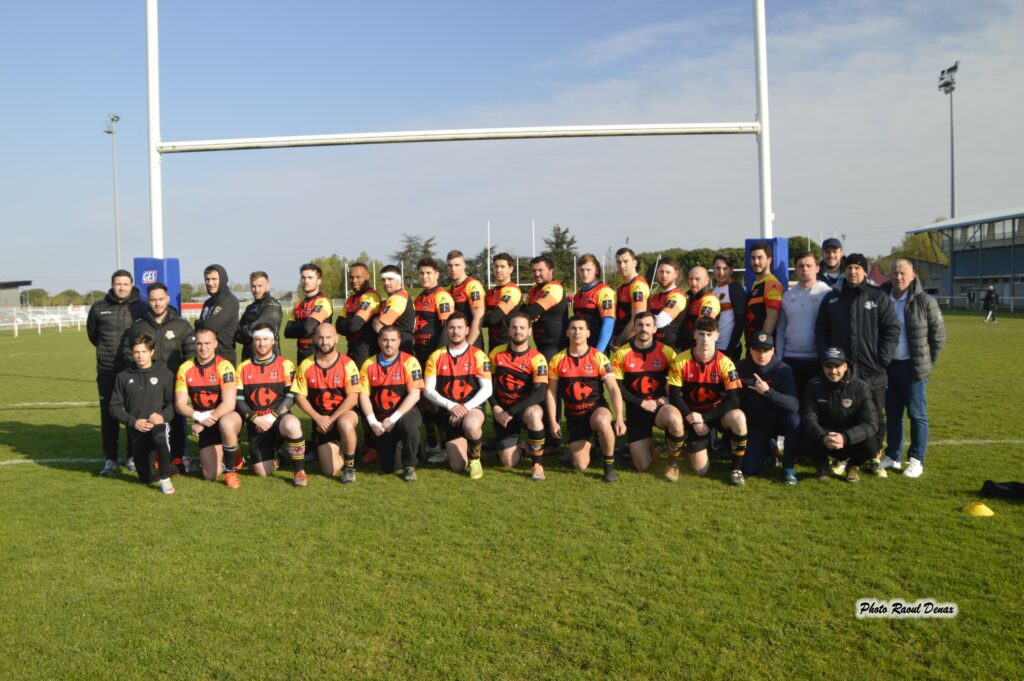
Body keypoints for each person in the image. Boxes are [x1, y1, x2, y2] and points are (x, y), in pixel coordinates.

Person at [815, 253, 899, 475]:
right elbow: (821, 330)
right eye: (849, 268)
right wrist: (826, 358)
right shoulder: (832, 298)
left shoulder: (878, 296)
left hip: (873, 371)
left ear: (864, 271)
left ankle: (874, 456)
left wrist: (883, 359)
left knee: (876, 415)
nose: (853, 272)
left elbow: (892, 329)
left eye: (857, 268)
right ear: (844, 271)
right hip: (841, 372)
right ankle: (844, 457)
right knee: (842, 414)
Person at [880, 260, 947, 478]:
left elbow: (938, 336)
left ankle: (916, 459)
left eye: (903, 273)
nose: (898, 277)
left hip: (913, 368)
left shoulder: (925, 301)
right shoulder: (882, 298)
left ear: (912, 275)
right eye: (895, 273)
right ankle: (893, 455)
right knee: (893, 414)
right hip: (888, 367)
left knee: (917, 415)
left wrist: (925, 363)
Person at [124, 282, 196, 473]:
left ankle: (180, 456)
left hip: (173, 384)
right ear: (148, 301)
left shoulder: (181, 325)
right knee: (143, 420)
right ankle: (137, 456)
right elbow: (128, 352)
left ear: (167, 299)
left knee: (177, 422)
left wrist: (182, 379)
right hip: (146, 386)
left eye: (161, 299)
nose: (157, 303)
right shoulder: (139, 325)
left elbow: (191, 354)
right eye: (153, 300)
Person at [546, 315, 627, 483]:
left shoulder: (599, 357)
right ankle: (595, 444)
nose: (577, 332)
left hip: (596, 410)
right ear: (567, 332)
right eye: (573, 328)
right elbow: (551, 393)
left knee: (603, 420)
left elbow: (613, 388)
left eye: (581, 328)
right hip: (575, 417)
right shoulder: (557, 360)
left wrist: (619, 417)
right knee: (580, 465)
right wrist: (553, 421)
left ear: (588, 333)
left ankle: (609, 465)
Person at [667, 317, 747, 485]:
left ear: (717, 336)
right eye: (701, 334)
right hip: (692, 414)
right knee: (700, 470)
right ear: (695, 335)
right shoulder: (681, 360)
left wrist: (705, 417)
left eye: (709, 334)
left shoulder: (726, 363)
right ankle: (688, 448)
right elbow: (674, 396)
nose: (705, 339)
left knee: (739, 417)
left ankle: (736, 469)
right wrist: (691, 417)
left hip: (715, 414)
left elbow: (734, 400)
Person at [88, 269, 148, 476]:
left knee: (134, 414)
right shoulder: (98, 308)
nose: (121, 287)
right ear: (112, 285)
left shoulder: (142, 307)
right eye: (118, 284)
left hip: (132, 370)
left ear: (131, 285)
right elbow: (93, 335)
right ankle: (111, 459)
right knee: (108, 417)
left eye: (125, 284)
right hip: (106, 370)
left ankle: (132, 456)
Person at [611, 312, 684, 478]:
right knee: (642, 466)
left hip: (659, 408)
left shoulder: (667, 352)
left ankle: (673, 463)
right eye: (640, 325)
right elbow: (617, 388)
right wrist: (641, 403)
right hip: (636, 410)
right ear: (634, 327)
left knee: (674, 417)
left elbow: (678, 383)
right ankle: (649, 445)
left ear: (655, 328)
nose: (644, 329)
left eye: (648, 325)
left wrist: (668, 398)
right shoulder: (622, 353)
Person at [234, 323, 308, 487]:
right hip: (256, 422)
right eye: (258, 340)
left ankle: (299, 471)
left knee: (293, 424)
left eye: (266, 339)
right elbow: (238, 400)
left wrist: (272, 416)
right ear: (253, 342)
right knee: (262, 471)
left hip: (278, 417)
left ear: (273, 341)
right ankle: (281, 457)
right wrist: (255, 419)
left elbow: (291, 396)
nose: (262, 344)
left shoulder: (285, 364)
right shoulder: (243, 367)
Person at [423, 313, 493, 479]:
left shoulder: (478, 355)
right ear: (447, 330)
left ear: (467, 330)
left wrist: (464, 408)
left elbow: (487, 389)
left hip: (471, 407)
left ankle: (475, 459)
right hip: (449, 411)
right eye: (452, 328)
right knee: (457, 466)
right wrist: (451, 406)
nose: (456, 331)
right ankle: (468, 443)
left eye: (460, 328)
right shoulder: (436, 356)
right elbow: (428, 390)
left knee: (471, 425)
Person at [108, 333, 177, 495]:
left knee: (159, 435)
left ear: (151, 352)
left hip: (158, 426)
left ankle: (165, 478)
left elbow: (172, 403)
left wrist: (162, 417)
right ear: (132, 353)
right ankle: (166, 466)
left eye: (144, 351)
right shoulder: (123, 377)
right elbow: (114, 407)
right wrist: (134, 422)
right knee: (147, 478)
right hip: (137, 430)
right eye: (136, 352)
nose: (140, 356)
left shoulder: (165, 374)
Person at [292, 323, 361, 483]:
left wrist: (331, 419)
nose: (325, 342)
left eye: (328, 337)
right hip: (321, 420)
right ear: (315, 339)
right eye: (321, 338)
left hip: (343, 414)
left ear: (336, 339)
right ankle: (351, 449)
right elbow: (299, 396)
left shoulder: (348, 364)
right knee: (329, 471)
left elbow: (353, 398)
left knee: (345, 423)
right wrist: (318, 419)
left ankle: (350, 467)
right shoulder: (306, 365)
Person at [174, 328, 243, 487]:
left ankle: (231, 472)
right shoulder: (185, 368)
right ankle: (231, 452)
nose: (203, 347)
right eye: (199, 343)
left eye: (207, 343)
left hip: (226, 417)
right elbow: (180, 404)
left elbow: (229, 403)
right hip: (204, 422)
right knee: (209, 475)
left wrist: (203, 422)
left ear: (215, 344)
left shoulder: (224, 366)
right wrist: (199, 417)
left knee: (226, 424)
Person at [801, 347, 878, 483]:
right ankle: (822, 466)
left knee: (872, 445)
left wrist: (845, 437)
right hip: (826, 437)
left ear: (845, 366)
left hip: (850, 439)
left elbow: (871, 423)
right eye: (828, 366)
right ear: (823, 367)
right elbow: (809, 417)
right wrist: (823, 436)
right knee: (802, 435)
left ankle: (853, 466)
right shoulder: (813, 385)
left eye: (837, 366)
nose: (833, 371)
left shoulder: (860, 387)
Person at [358, 325, 424, 481]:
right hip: (382, 419)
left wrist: (393, 419)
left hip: (404, 413)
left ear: (399, 341)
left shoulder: (410, 362)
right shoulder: (368, 364)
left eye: (393, 340)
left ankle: (410, 466)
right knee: (389, 467)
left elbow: (415, 395)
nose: (389, 344)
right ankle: (408, 444)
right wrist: (373, 422)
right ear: (379, 341)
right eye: (385, 340)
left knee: (409, 425)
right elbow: (363, 395)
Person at [488, 312, 549, 480]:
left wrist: (512, 412)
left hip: (523, 410)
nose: (518, 331)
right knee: (508, 462)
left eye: (522, 327)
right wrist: (495, 407)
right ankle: (523, 447)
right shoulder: (496, 353)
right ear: (508, 330)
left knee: (535, 414)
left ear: (529, 331)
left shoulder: (537, 358)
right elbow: (487, 386)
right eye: (514, 327)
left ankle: (537, 464)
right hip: (503, 411)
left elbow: (540, 393)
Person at [736, 332, 801, 483]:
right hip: (756, 423)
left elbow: (793, 405)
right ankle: (769, 448)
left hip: (778, 419)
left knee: (794, 421)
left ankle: (788, 467)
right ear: (750, 350)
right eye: (757, 350)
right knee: (750, 469)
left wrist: (768, 392)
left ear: (773, 350)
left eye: (766, 350)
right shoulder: (740, 367)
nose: (762, 355)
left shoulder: (783, 369)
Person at [413, 258, 455, 461]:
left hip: (435, 357)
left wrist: (438, 356)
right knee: (425, 401)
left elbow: (447, 328)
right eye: (422, 273)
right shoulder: (419, 298)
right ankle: (432, 443)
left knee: (438, 401)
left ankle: (447, 446)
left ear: (437, 274)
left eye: (428, 273)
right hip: (420, 355)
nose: (425, 277)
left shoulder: (442, 296)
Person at [776, 251, 832, 399]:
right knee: (794, 404)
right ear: (795, 269)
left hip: (817, 360)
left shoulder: (827, 293)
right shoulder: (787, 296)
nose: (805, 269)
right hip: (791, 359)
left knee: (816, 405)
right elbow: (781, 329)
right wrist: (779, 357)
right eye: (800, 266)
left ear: (817, 268)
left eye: (809, 265)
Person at [284, 263, 333, 365]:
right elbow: (287, 332)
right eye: (303, 278)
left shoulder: (323, 302)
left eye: (310, 278)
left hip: (319, 358)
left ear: (319, 281)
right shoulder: (298, 305)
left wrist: (298, 327)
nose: (306, 281)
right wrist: (304, 326)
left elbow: (307, 327)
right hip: (301, 358)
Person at [335, 262, 381, 369]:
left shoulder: (371, 296)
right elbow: (338, 325)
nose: (354, 280)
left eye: (358, 277)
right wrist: (350, 324)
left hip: (367, 352)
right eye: (351, 277)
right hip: (351, 349)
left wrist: (348, 324)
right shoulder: (350, 299)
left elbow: (354, 325)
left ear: (367, 277)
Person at [523, 255, 568, 360]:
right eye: (534, 271)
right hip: (541, 345)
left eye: (540, 270)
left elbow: (531, 312)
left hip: (554, 347)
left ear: (551, 270)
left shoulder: (555, 288)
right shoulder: (534, 289)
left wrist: (531, 314)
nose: (537, 274)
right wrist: (529, 313)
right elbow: (523, 311)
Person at [195, 264, 240, 366]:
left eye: (214, 279)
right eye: (207, 279)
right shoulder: (208, 302)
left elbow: (211, 326)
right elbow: (200, 330)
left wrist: (197, 323)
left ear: (222, 279)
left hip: (223, 356)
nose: (210, 283)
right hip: (205, 356)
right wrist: (200, 325)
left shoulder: (229, 300)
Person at [571, 253, 616, 355]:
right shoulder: (578, 294)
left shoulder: (604, 291)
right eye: (581, 270)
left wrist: (598, 352)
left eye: (588, 270)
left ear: (596, 270)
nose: (585, 273)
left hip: (597, 348)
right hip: (580, 348)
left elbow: (608, 324)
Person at [235, 271, 282, 363]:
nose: (256, 290)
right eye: (253, 286)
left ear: (267, 286)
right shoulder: (250, 307)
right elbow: (236, 332)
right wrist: (246, 332)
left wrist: (245, 331)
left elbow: (256, 332)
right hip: (248, 360)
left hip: (269, 361)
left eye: (260, 286)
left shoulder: (272, 306)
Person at [745, 242, 783, 351]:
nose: (756, 262)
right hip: (752, 346)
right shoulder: (756, 284)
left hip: (762, 349)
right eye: (753, 258)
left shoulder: (771, 284)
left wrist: (762, 345)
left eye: (760, 258)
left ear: (769, 260)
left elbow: (772, 316)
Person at [482, 252, 523, 351]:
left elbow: (493, 319)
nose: (498, 270)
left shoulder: (512, 290)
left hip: (508, 345)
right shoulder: (490, 292)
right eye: (496, 266)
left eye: (502, 267)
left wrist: (483, 316)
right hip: (492, 345)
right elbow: (485, 322)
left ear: (511, 269)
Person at [447, 250, 487, 349]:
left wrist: (467, 347)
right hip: (455, 342)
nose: (453, 269)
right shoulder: (449, 289)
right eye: (450, 265)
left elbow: (478, 317)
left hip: (472, 343)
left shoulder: (472, 285)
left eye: (457, 265)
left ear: (464, 265)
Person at [612, 247, 650, 349]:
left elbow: (637, 321)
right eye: (619, 262)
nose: (622, 265)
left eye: (626, 261)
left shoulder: (638, 285)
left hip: (634, 344)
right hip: (623, 342)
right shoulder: (620, 288)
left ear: (634, 263)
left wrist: (618, 341)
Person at [372, 265, 416, 354]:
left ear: (399, 280)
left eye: (390, 279)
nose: (386, 283)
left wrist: (375, 318)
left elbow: (379, 327)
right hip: (398, 346)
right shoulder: (399, 296)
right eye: (383, 280)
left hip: (399, 349)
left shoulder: (398, 298)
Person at [711, 253, 747, 361]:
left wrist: (730, 349)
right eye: (718, 268)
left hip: (728, 350)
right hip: (714, 348)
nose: (721, 272)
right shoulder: (714, 290)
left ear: (731, 270)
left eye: (725, 268)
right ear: (713, 269)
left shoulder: (735, 289)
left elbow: (740, 322)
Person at [677, 266, 721, 353]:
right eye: (691, 279)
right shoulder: (687, 298)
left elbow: (704, 326)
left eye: (697, 279)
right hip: (685, 349)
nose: (693, 283)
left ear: (707, 281)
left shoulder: (710, 300)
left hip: (701, 350)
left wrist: (678, 334)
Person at [649, 257, 687, 350]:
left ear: (676, 274)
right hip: (654, 346)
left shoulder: (678, 296)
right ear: (657, 273)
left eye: (668, 272)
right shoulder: (654, 297)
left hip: (671, 349)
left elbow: (661, 321)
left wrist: (641, 321)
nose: (664, 275)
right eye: (661, 271)